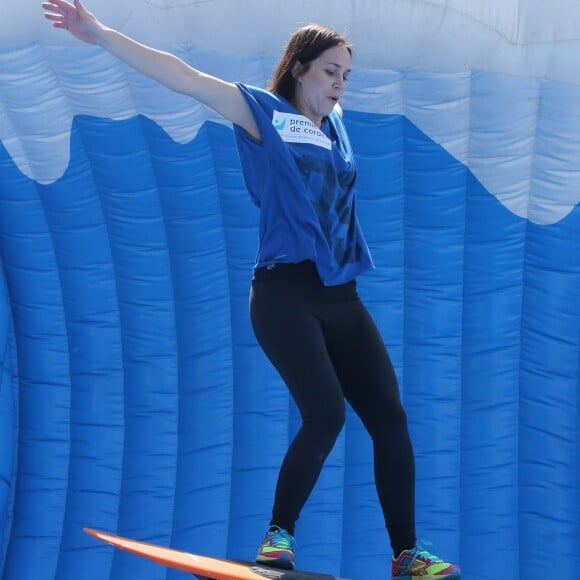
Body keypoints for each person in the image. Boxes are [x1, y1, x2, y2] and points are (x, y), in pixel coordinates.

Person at [42, 1, 461, 578]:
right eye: (329, 70)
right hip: (283, 294)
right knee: (326, 414)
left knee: (390, 417)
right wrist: (103, 35)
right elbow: (184, 78)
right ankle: (278, 538)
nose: (339, 82)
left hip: (340, 295)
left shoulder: (337, 128)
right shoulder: (263, 112)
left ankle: (406, 554)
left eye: (345, 74)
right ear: (297, 69)